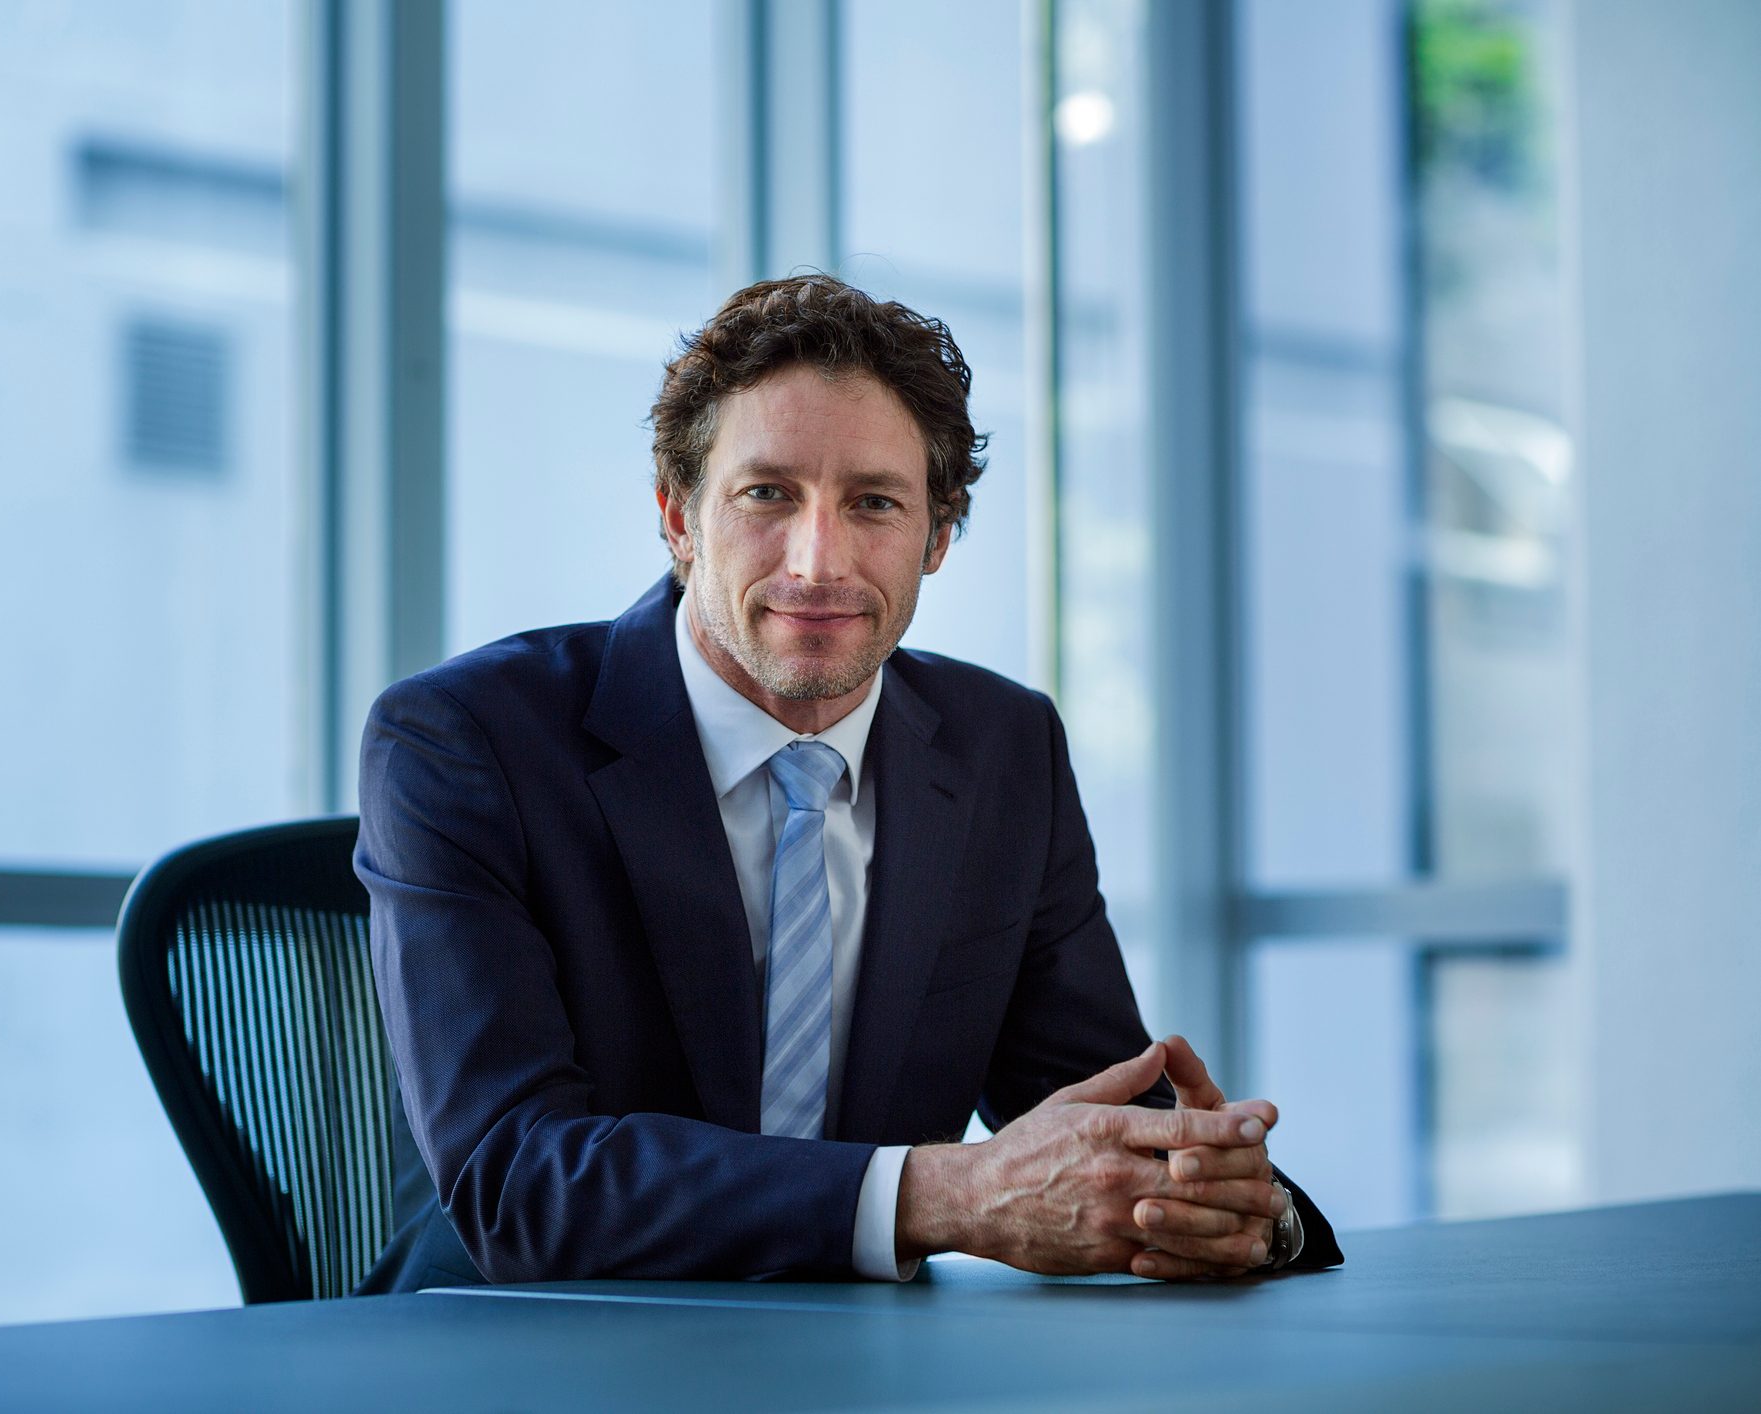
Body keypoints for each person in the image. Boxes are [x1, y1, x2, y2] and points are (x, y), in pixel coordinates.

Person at [352, 274, 1342, 1293]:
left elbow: (1097, 1115)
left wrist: (1226, 1205)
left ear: (938, 536)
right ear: (678, 519)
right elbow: (518, 1182)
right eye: (767, 494)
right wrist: (942, 1196)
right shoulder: (465, 744)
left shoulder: (1004, 750)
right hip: (525, 1349)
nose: (818, 560)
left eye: (874, 502)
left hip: (869, 1364)